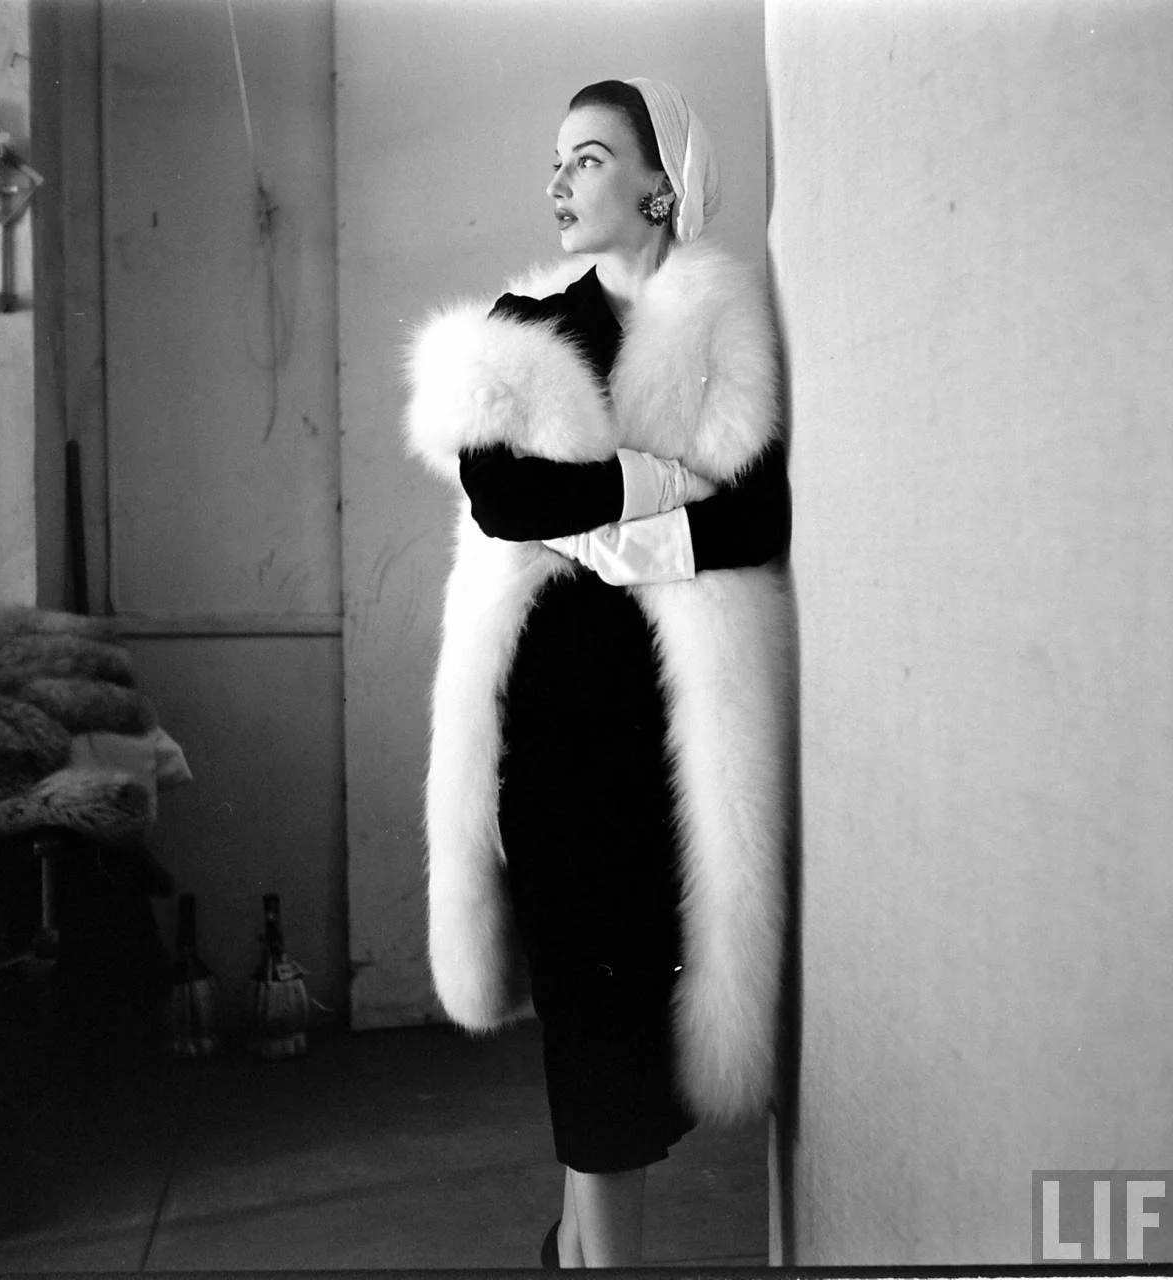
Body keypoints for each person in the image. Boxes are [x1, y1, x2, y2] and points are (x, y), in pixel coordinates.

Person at [405, 78, 792, 1268]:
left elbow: (755, 515)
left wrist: (621, 535)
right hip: (550, 719)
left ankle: (573, 1251)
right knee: (587, 1006)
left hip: (669, 733)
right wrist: (660, 483)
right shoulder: (526, 324)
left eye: (587, 157)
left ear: (659, 185)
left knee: (623, 1012)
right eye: (557, 160)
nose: (558, 180)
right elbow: (504, 496)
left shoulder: (722, 324)